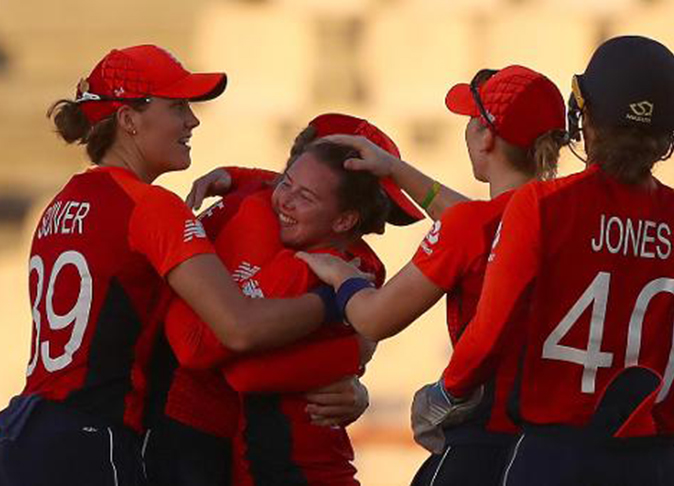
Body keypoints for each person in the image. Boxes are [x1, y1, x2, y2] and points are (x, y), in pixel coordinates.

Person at [409, 35, 674, 486]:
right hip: (650, 461)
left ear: (583, 117)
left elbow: (489, 332)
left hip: (553, 454)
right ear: (672, 130)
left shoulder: (541, 206)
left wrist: (446, 392)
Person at [0, 45, 334, 486]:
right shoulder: (151, 206)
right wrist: (336, 300)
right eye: (177, 106)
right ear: (129, 120)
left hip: (23, 429)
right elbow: (238, 327)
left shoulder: (59, 202)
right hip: (90, 441)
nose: (192, 120)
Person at [297, 66, 567, 485]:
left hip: (485, 441)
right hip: (563, 444)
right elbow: (481, 223)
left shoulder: (474, 226)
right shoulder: (573, 214)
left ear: (486, 136)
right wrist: (396, 170)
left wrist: (339, 274)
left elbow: (374, 319)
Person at [149, 114, 424, 486]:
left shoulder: (343, 263)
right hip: (210, 439)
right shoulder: (325, 256)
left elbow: (235, 365)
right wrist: (353, 345)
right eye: (288, 181)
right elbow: (213, 355)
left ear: (346, 218)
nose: (286, 198)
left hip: (268, 455)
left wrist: (355, 369)